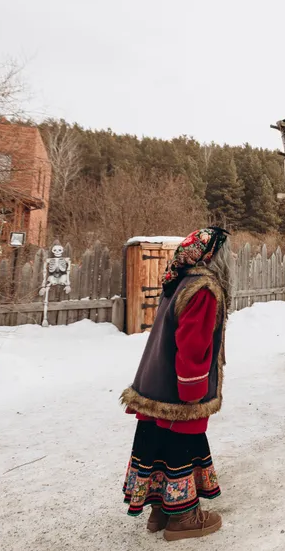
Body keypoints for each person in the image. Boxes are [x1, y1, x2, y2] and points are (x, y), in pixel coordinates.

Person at [120, 227, 231, 541]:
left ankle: (160, 510)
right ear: (211, 255)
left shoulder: (178, 280)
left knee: (157, 438)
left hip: (156, 382)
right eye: (225, 252)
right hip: (179, 388)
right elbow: (193, 345)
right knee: (180, 443)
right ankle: (183, 517)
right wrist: (193, 391)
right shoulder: (203, 288)